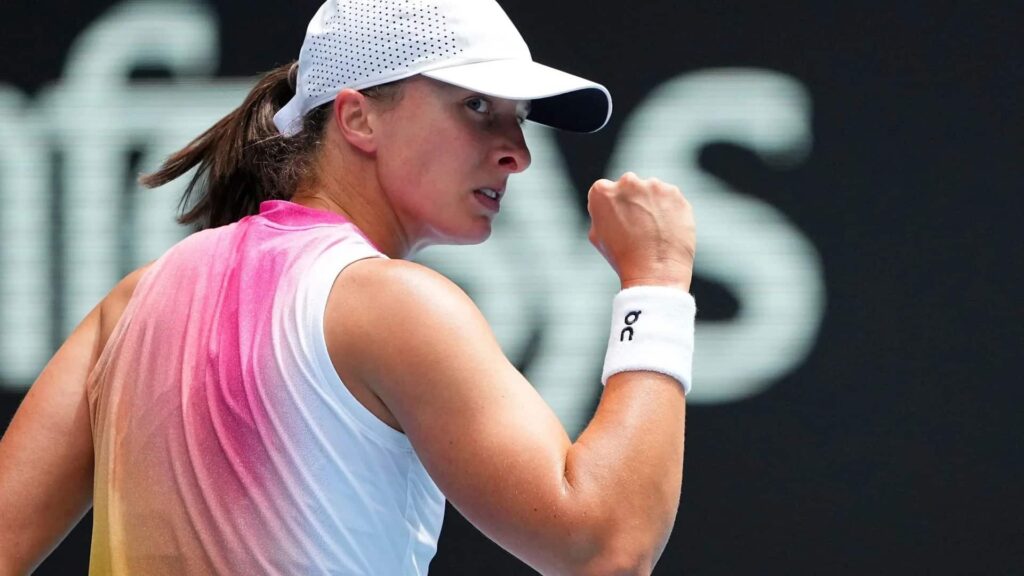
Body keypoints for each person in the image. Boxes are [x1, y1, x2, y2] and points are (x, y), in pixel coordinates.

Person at [0, 0, 697, 574]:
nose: (517, 152)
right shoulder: (395, 307)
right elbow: (606, 548)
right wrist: (657, 283)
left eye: (517, 117)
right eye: (477, 106)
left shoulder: (131, 302)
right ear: (358, 117)